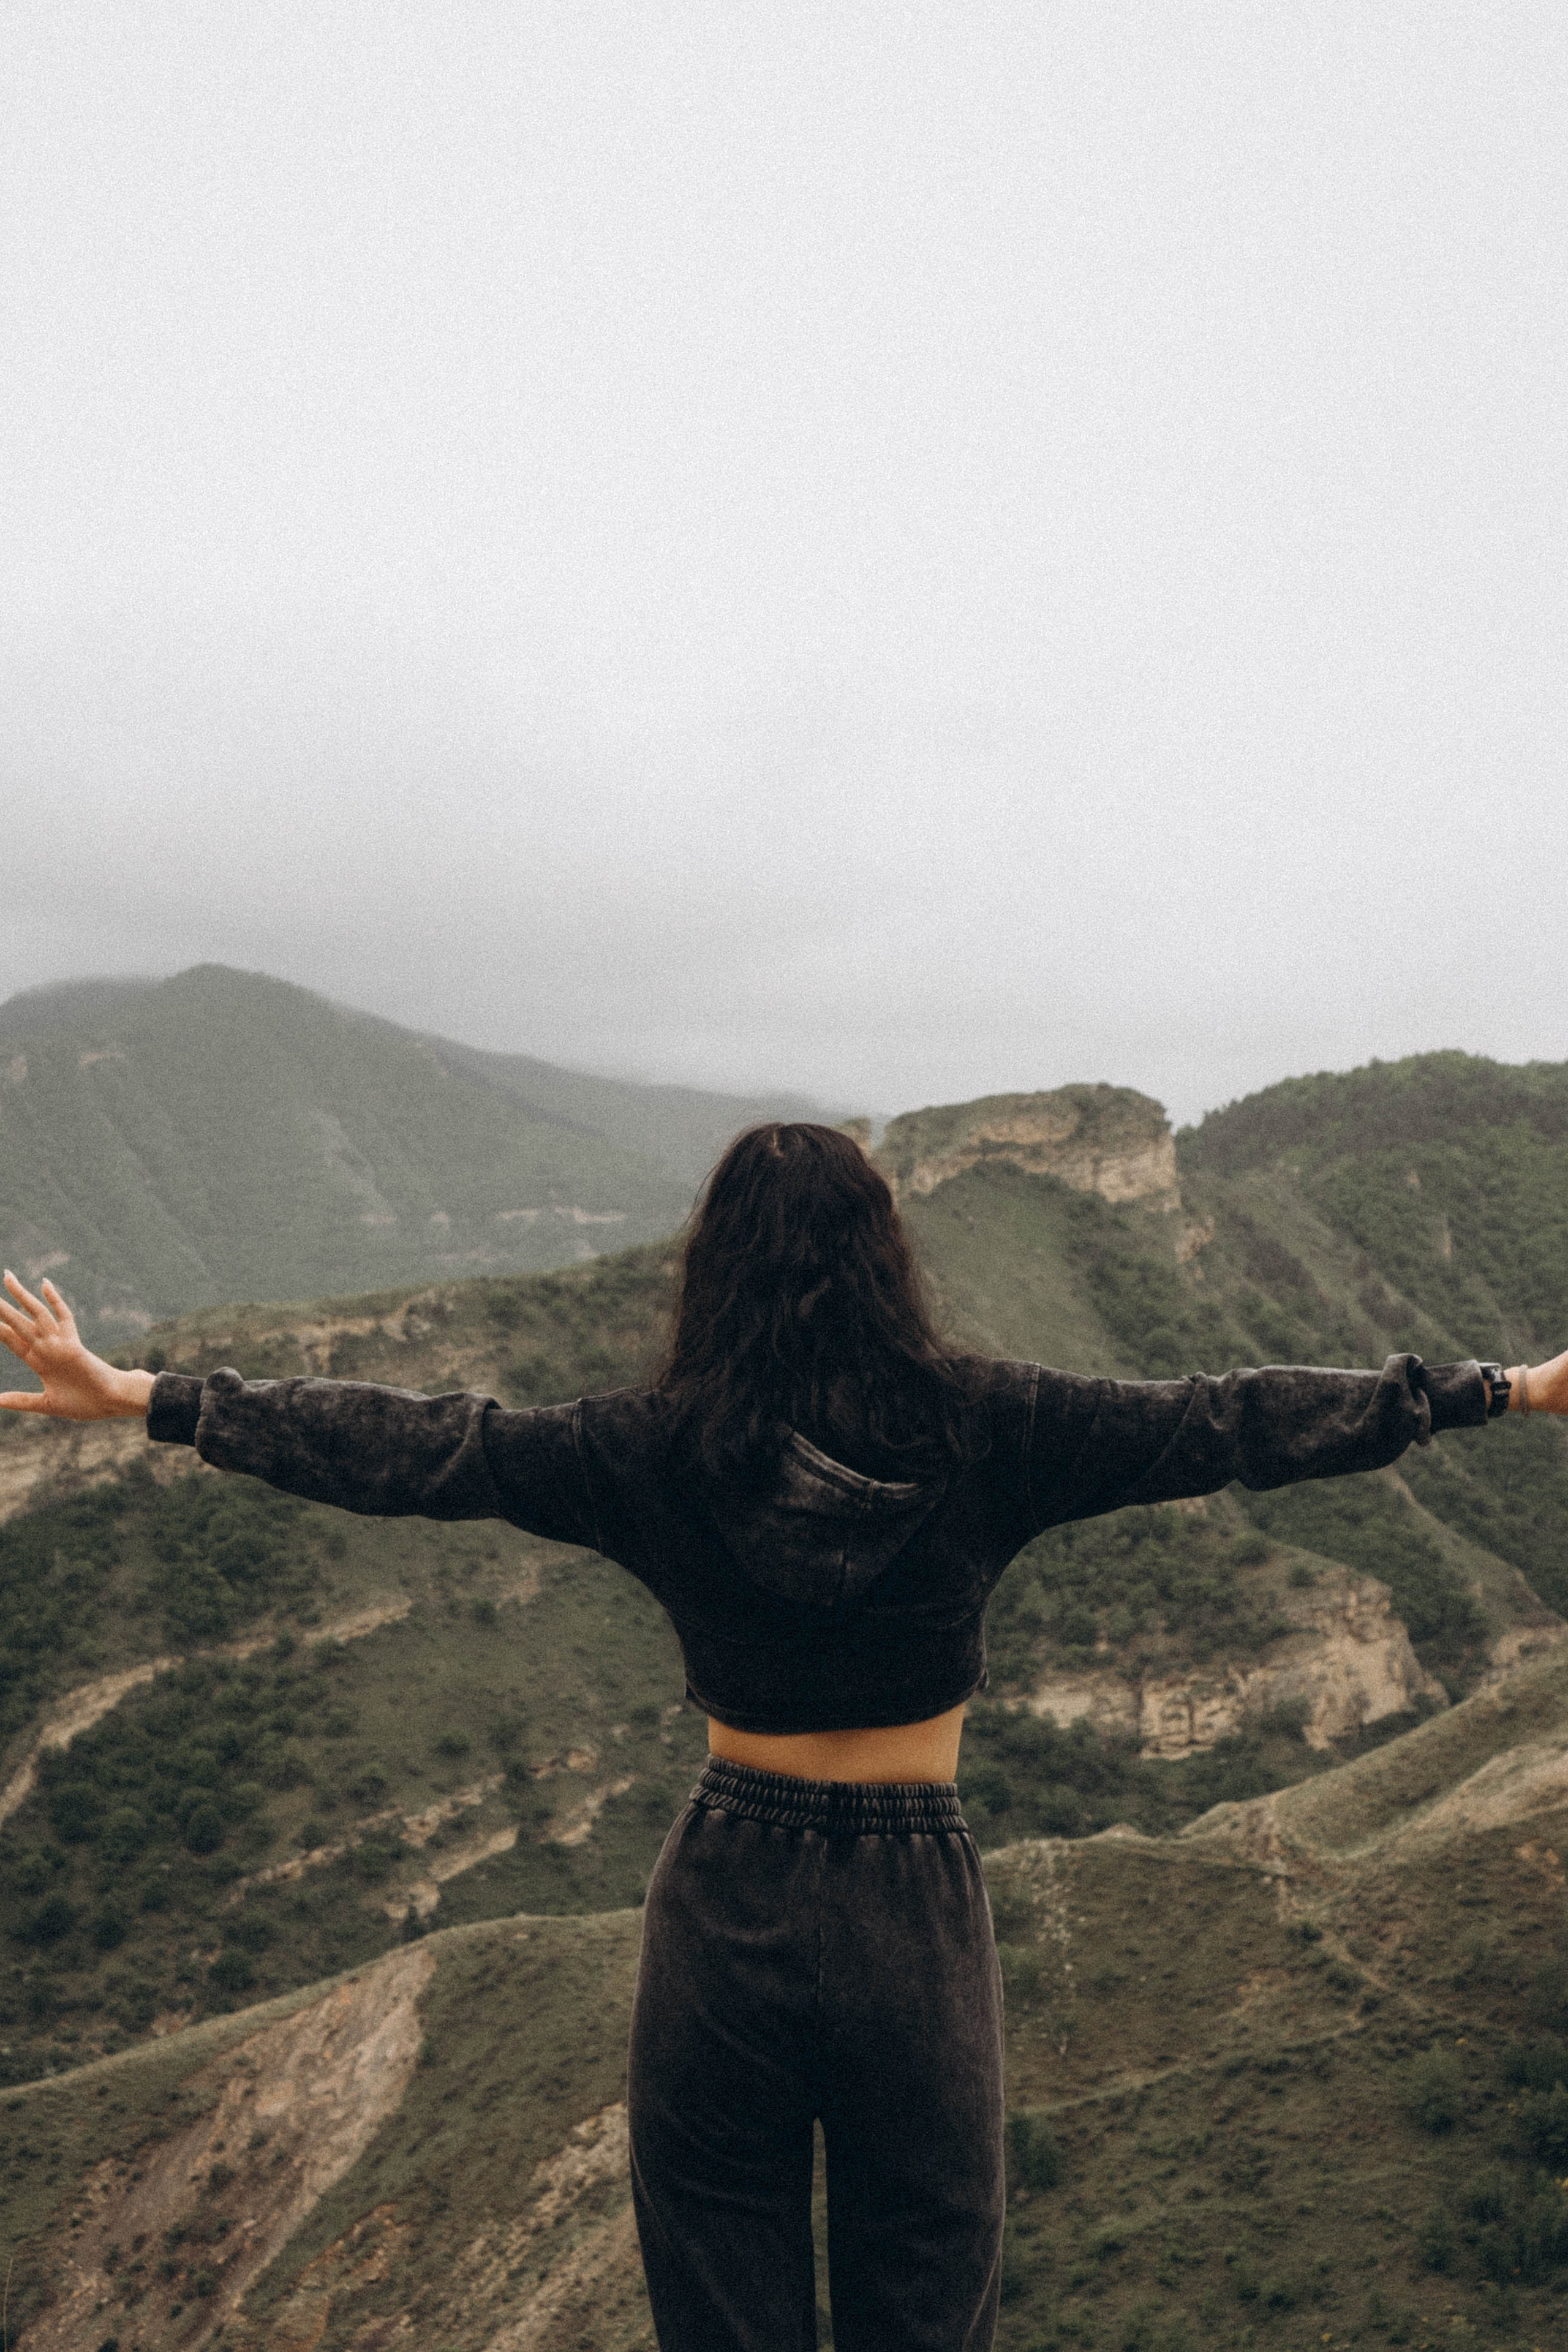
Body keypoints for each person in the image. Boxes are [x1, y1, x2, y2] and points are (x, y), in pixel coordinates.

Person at [2, 1121, 1562, 2351]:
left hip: (723, 1884)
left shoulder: (647, 1447)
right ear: (886, 1260)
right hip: (910, 1901)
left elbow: (424, 1448)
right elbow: (1225, 1420)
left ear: (712, 1274)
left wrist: (151, 1396)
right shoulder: (992, 1423)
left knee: (718, 2288)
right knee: (925, 2284)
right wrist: (1497, 1389)